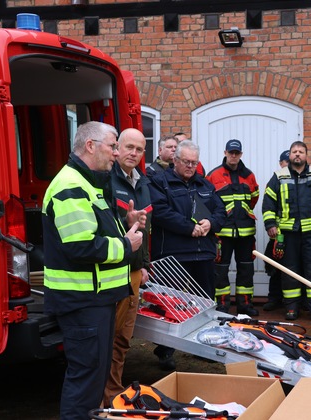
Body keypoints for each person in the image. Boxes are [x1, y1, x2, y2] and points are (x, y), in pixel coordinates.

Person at [42, 121, 143, 420]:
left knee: (93, 375)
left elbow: (94, 232)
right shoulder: (70, 186)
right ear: (90, 146)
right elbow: (81, 247)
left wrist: (124, 224)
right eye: (112, 146)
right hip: (82, 301)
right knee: (86, 378)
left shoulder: (86, 183)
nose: (116, 153)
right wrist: (126, 245)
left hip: (93, 299)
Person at [148, 140, 226, 369]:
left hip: (203, 254)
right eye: (186, 162)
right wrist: (188, 227)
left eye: (194, 162)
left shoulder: (205, 184)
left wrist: (211, 223)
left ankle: (204, 346)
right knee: (170, 305)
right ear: (175, 160)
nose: (191, 166)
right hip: (173, 255)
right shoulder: (159, 182)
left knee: (206, 304)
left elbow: (221, 211)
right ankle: (165, 351)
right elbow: (160, 212)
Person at [102, 128, 152, 406]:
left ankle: (113, 393)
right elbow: (105, 227)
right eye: (129, 147)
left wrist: (143, 264)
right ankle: (102, 397)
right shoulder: (106, 179)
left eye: (139, 149)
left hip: (132, 271)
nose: (134, 153)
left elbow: (144, 229)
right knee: (108, 337)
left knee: (123, 339)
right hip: (112, 271)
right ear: (117, 148)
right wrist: (125, 221)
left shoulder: (141, 182)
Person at [262, 141, 311, 323]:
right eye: (294, 151)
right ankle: (291, 308)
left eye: (300, 152)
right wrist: (270, 224)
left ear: (306, 155)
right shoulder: (279, 177)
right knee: (289, 271)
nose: (297, 154)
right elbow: (268, 202)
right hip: (288, 234)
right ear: (289, 155)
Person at [206, 139, 260, 316]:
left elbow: (254, 198)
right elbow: (207, 201)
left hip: (246, 232)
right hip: (222, 233)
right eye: (231, 153)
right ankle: (222, 305)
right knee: (220, 270)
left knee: (246, 269)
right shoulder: (213, 175)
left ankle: (245, 305)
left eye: (237, 153)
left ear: (241, 154)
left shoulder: (249, 175)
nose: (233, 156)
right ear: (225, 153)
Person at [263, 150, 291, 311]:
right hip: (278, 235)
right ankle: (274, 298)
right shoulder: (275, 181)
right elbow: (268, 205)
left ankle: (296, 301)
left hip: (294, 234)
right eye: (286, 162)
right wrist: (271, 225)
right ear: (281, 163)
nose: (288, 165)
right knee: (274, 268)